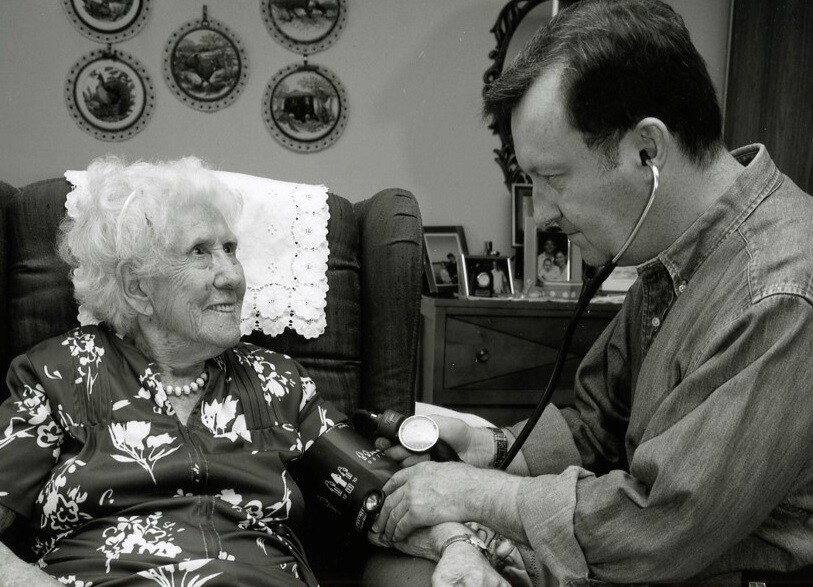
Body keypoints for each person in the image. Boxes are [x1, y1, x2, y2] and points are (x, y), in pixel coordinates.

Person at [369, 0, 813, 585]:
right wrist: (489, 449)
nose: (542, 215)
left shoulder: (779, 294)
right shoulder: (678, 252)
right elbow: (599, 427)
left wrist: (479, 494)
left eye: (553, 178)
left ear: (647, 151)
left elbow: (658, 528)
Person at [0, 156, 476, 586]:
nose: (231, 275)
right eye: (200, 252)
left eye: (230, 248)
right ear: (138, 287)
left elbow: (380, 494)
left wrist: (458, 547)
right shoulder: (56, 376)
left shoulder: (276, 382)